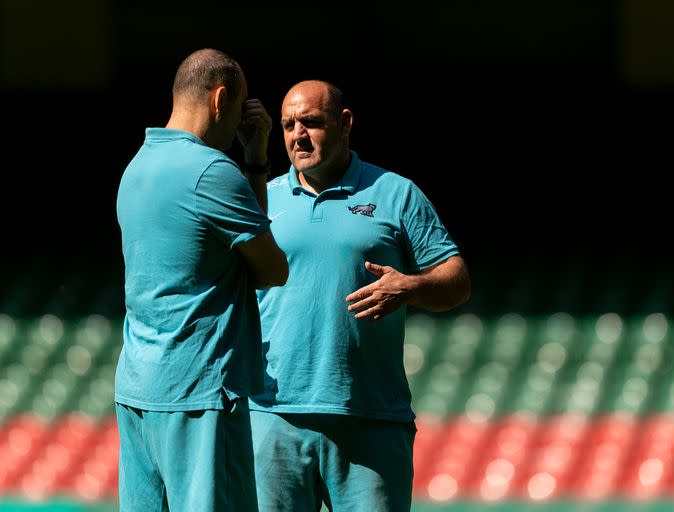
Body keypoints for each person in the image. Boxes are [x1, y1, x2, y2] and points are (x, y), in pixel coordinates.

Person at [250, 80, 471, 511]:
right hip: (272, 416)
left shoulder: (396, 192)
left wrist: (412, 286)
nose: (299, 134)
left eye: (312, 122)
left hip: (370, 416)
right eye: (289, 125)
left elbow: (457, 280)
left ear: (345, 122)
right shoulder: (263, 198)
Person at [115, 48, 288, 511]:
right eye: (240, 106)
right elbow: (272, 270)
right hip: (199, 392)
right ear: (221, 99)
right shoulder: (212, 170)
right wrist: (255, 159)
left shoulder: (135, 168)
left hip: (137, 390)